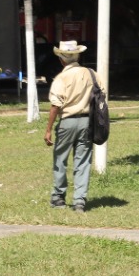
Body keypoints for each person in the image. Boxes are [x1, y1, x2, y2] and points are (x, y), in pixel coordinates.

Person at [43, 40, 96, 212]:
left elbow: (55, 105)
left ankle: (58, 197)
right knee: (83, 161)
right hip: (87, 121)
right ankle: (79, 201)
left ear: (61, 60)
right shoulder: (91, 74)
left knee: (60, 159)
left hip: (67, 121)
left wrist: (48, 129)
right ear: (77, 56)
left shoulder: (61, 78)